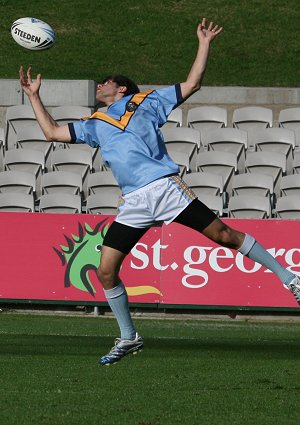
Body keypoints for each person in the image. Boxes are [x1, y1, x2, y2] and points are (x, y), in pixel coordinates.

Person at [19, 18, 300, 366]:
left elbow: (193, 83)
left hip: (165, 187)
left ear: (121, 88)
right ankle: (129, 336)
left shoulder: (146, 102)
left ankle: (290, 278)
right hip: (135, 201)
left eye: (106, 81)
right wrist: (34, 96)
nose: (100, 84)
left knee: (224, 235)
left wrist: (204, 43)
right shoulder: (94, 124)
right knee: (105, 271)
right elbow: (51, 133)